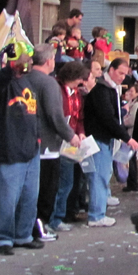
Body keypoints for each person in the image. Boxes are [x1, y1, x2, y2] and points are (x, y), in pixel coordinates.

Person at [0, 42, 43, 255]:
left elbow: (34, 112)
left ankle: (23, 234)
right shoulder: (0, 84)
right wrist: (10, 66)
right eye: (22, 62)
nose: (26, 65)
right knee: (7, 198)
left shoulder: (27, 82)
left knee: (29, 197)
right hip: (6, 149)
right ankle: (3, 239)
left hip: (30, 149)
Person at [25, 44, 81, 240]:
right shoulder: (48, 84)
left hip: (27, 142)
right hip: (48, 146)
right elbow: (55, 115)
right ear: (49, 61)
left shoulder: (24, 79)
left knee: (29, 192)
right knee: (46, 191)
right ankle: (39, 227)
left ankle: (26, 227)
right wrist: (71, 135)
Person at [83, 57, 138, 227]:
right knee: (99, 176)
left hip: (104, 137)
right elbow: (108, 118)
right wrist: (127, 137)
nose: (123, 77)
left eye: (125, 74)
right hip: (99, 137)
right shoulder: (102, 91)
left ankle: (98, 211)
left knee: (101, 175)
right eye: (120, 73)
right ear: (112, 70)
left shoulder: (108, 89)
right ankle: (96, 215)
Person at [49, 61, 89, 231]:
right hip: (59, 140)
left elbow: (78, 117)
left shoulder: (76, 94)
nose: (80, 82)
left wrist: (80, 132)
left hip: (71, 140)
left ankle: (58, 215)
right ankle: (53, 218)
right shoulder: (57, 90)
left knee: (68, 181)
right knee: (61, 182)